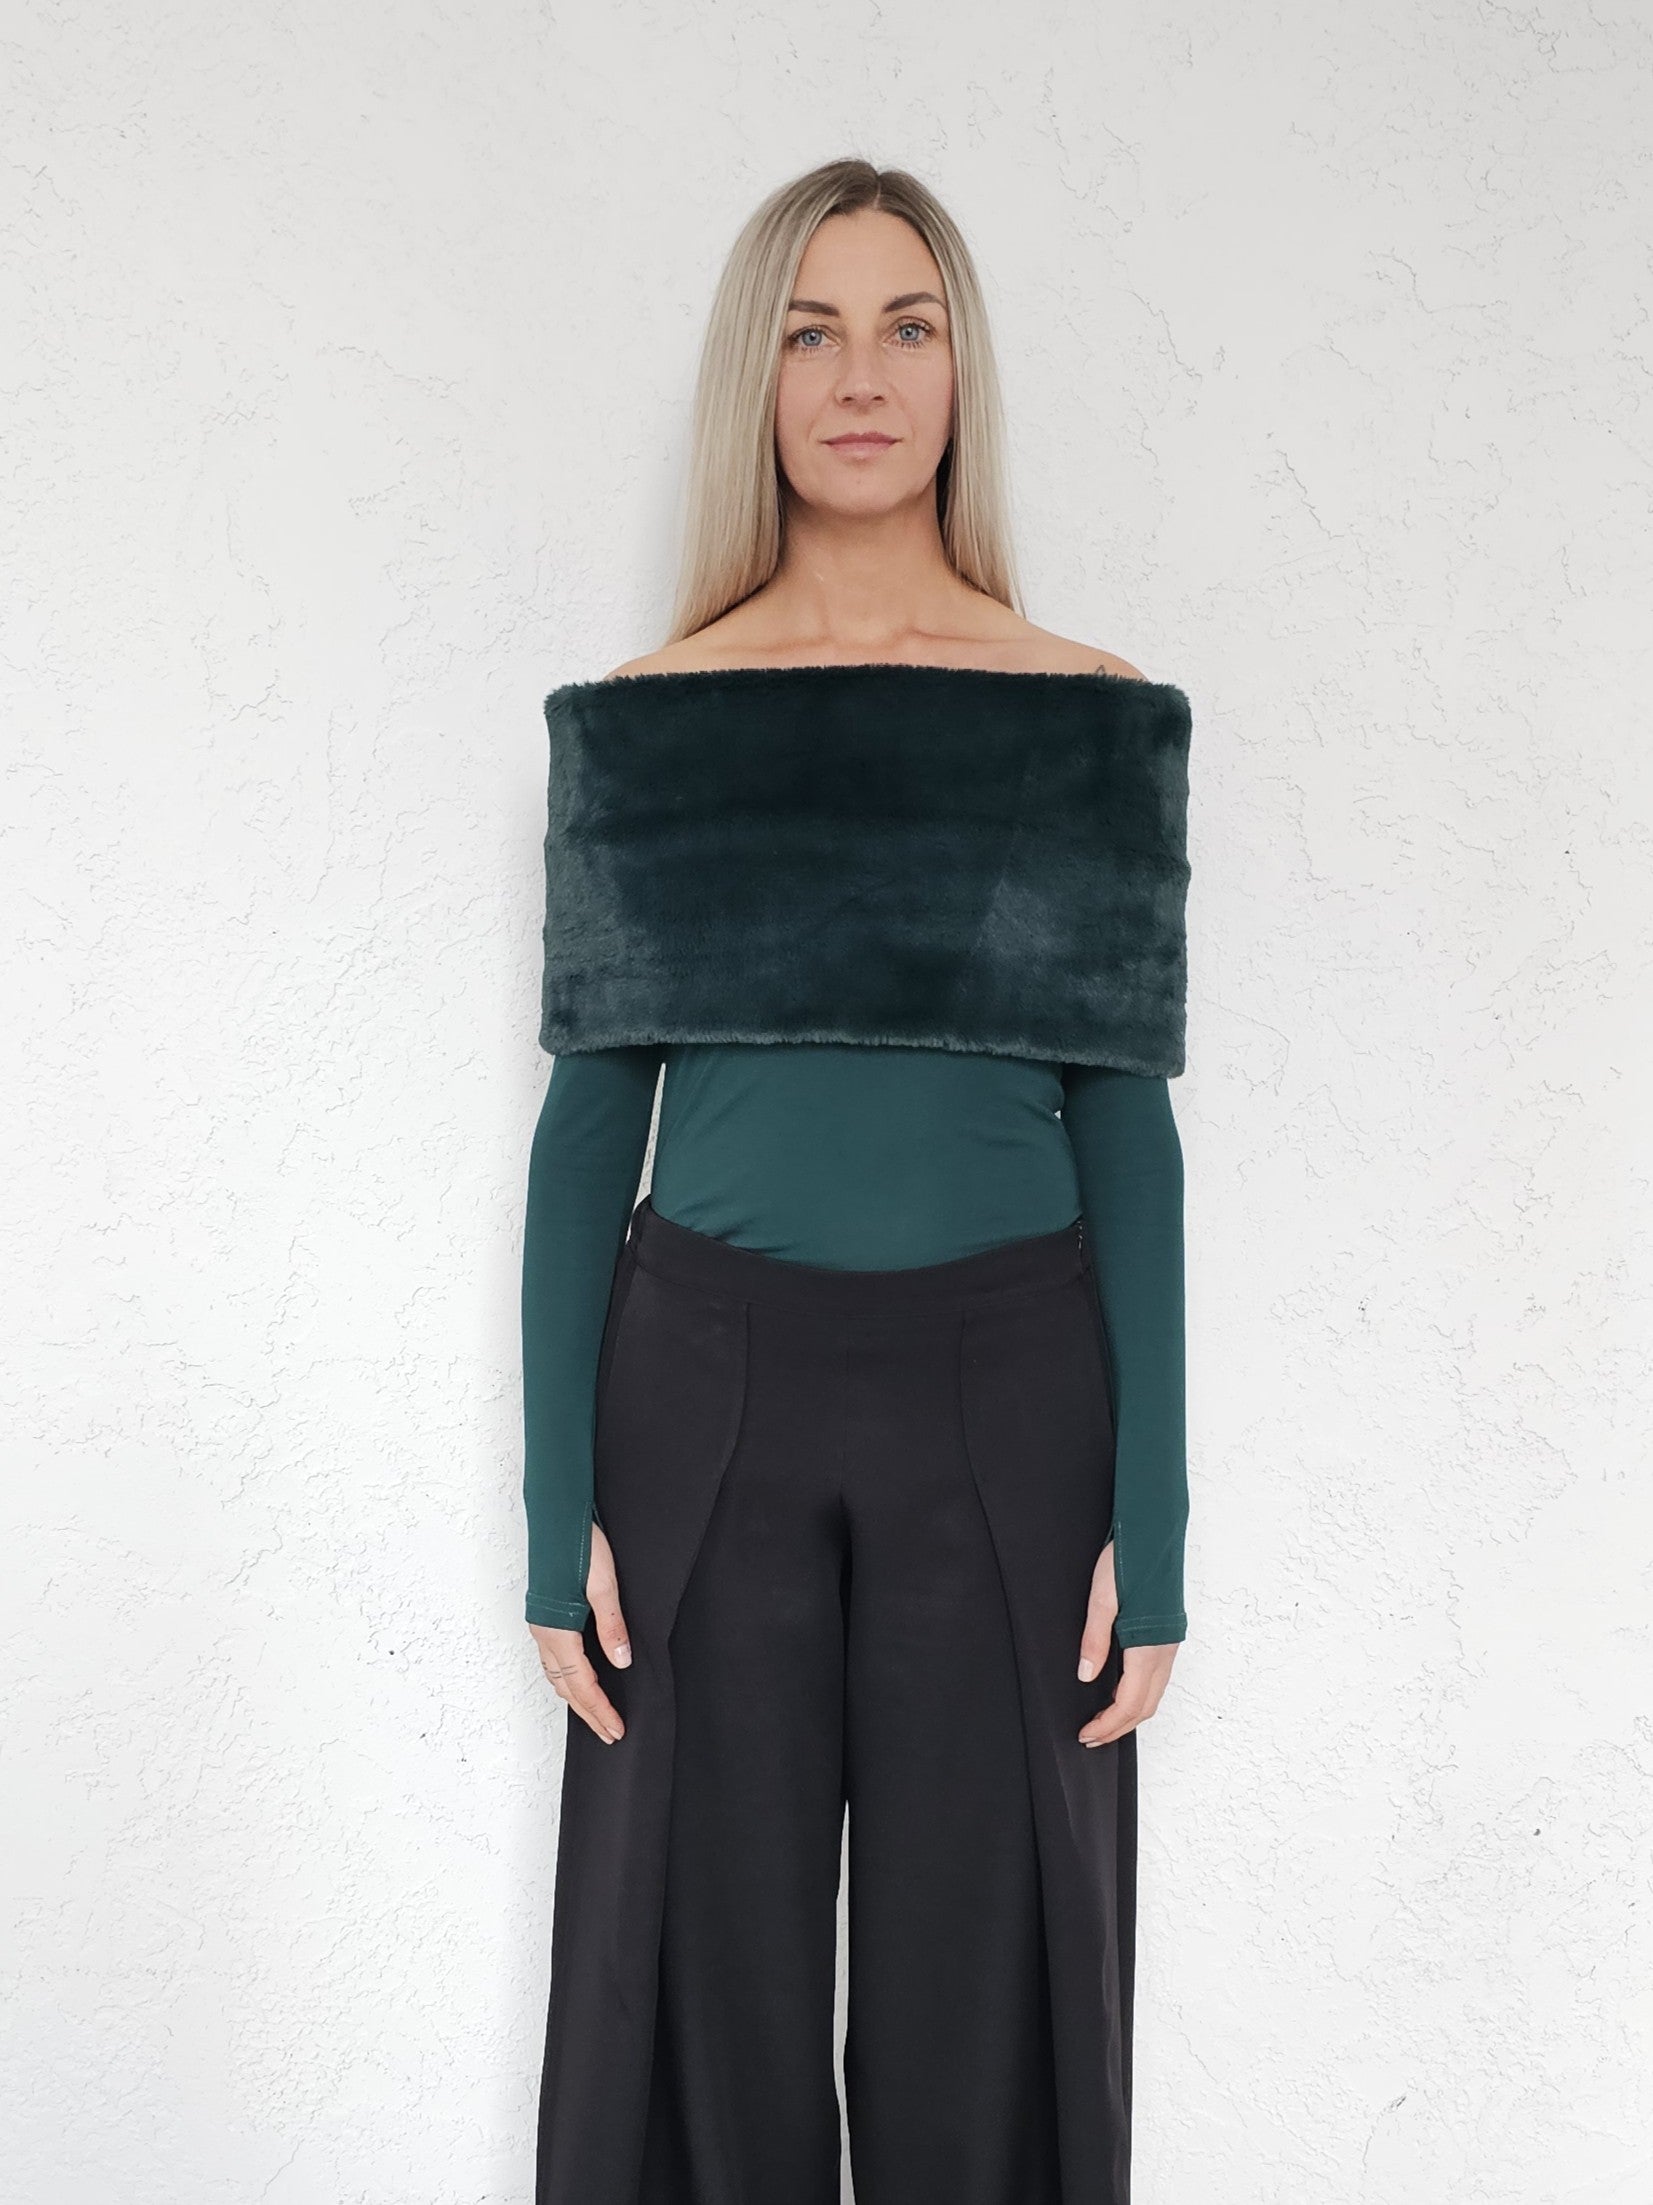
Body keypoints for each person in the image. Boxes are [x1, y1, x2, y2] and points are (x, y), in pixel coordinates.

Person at [521, 157, 1192, 2205]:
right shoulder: (652, 722)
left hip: (1009, 1398)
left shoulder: (1082, 716)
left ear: (960, 368)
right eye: (809, 331)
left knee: (983, 1985)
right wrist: (554, 1512)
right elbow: (586, 1125)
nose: (860, 376)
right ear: (758, 375)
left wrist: (1152, 1518)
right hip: (702, 1392)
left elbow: (1123, 1124)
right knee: (693, 1976)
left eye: (906, 326)